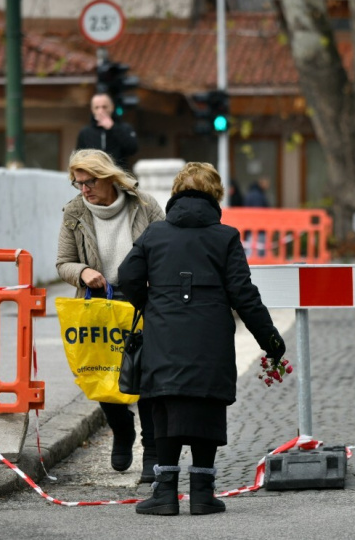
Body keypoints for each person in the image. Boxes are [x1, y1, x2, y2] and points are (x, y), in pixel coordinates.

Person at [118, 162, 286, 516]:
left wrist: (151, 305)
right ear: (215, 196)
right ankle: (202, 494)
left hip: (163, 336)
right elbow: (244, 294)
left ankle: (164, 494)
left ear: (176, 194)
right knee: (206, 407)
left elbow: (127, 276)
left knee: (164, 406)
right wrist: (270, 340)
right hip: (210, 339)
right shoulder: (225, 237)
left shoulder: (155, 234)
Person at [56, 148, 165, 483]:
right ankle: (122, 429)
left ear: (107, 177)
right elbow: (63, 262)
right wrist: (84, 271)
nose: (84, 189)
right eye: (78, 183)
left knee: (146, 379)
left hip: (140, 302)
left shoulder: (144, 205)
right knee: (102, 375)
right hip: (98, 303)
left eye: (89, 182)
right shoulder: (75, 212)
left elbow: (165, 248)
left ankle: (152, 452)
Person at [76, 93, 139, 171]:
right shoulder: (85, 132)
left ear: (112, 107)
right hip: (94, 176)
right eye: (97, 107)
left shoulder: (124, 128)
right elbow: (79, 157)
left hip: (118, 175)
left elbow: (132, 148)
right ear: (92, 110)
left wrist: (113, 127)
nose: (101, 111)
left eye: (104, 107)